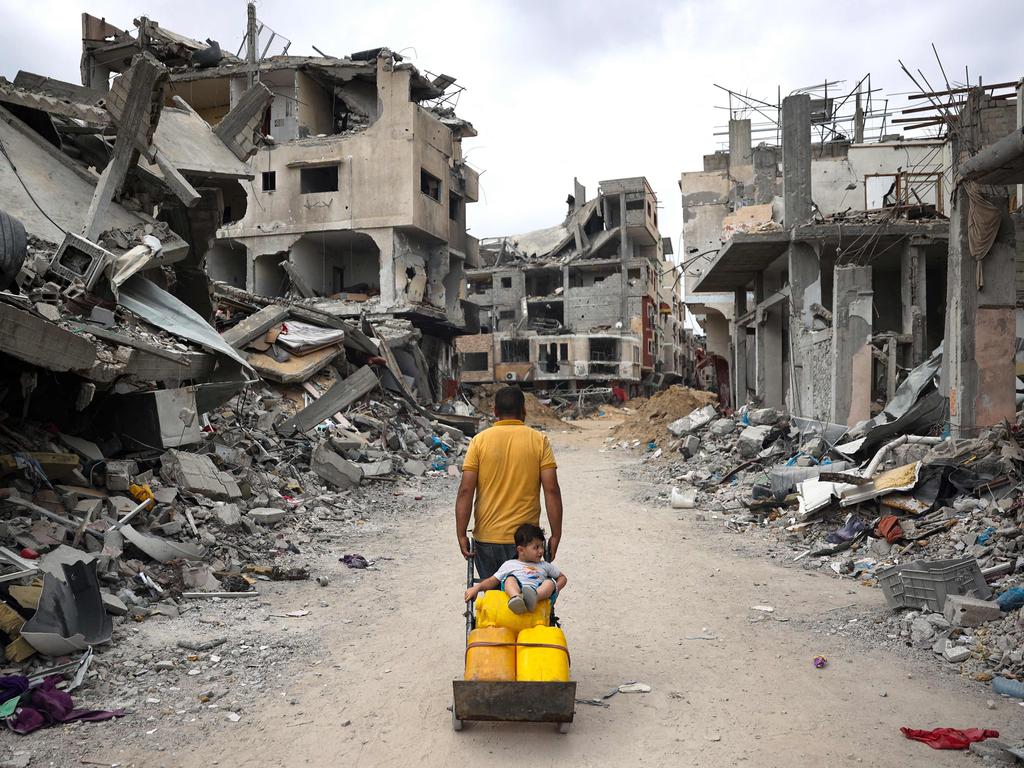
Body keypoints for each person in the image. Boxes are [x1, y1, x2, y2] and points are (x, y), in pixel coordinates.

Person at [455, 386, 563, 580]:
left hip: (487, 539)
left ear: (495, 412)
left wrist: (461, 533)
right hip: (526, 541)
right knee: (528, 598)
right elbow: (552, 490)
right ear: (524, 411)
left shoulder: (479, 442)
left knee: (494, 599)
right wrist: (556, 535)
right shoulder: (539, 441)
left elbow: (465, 491)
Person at [464, 524, 567, 614]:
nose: (541, 551)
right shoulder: (510, 564)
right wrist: (477, 588)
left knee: (549, 583)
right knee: (510, 579)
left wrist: (555, 588)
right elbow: (493, 580)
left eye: (541, 546)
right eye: (536, 547)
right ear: (521, 550)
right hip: (518, 589)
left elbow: (562, 577)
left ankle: (534, 597)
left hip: (538, 592)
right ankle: (516, 599)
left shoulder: (544, 565)